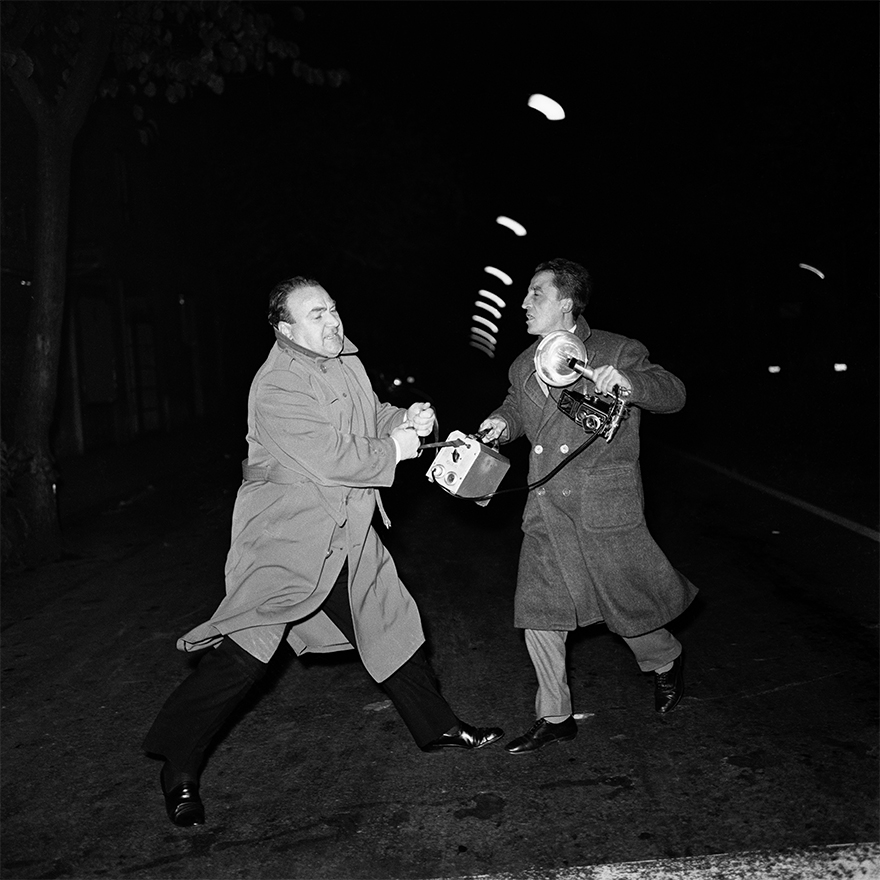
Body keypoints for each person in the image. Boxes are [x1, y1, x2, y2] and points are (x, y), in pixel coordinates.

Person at [144, 276, 503, 826]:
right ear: (286, 330)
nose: (332, 321)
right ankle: (179, 762)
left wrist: (403, 419)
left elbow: (369, 414)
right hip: (288, 538)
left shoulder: (343, 360)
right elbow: (330, 453)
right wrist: (395, 449)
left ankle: (439, 727)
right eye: (316, 315)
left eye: (332, 309)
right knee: (247, 653)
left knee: (388, 622)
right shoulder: (276, 385)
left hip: (346, 527)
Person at [479, 258, 697, 754]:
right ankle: (554, 716)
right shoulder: (522, 364)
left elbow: (675, 393)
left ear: (566, 302)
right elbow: (516, 407)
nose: (524, 303)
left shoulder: (615, 349)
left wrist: (628, 382)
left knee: (626, 603)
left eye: (536, 293)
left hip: (601, 502)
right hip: (546, 505)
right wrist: (499, 424)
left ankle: (664, 658)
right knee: (539, 611)